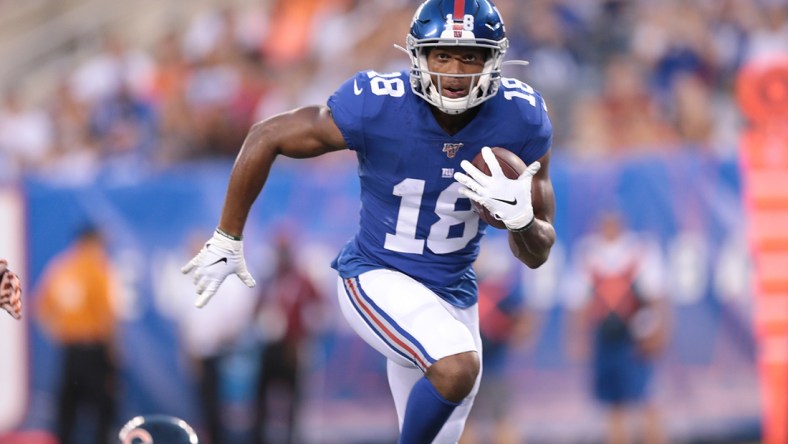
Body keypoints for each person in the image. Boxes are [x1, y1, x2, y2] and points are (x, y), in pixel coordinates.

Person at [181, 0, 556, 442]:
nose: (455, 70)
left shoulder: (522, 117)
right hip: (377, 274)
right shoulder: (378, 104)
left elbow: (537, 251)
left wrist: (522, 221)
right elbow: (268, 134)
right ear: (419, 56)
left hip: (453, 290)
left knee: (444, 412)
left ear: (494, 60)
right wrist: (228, 236)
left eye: (470, 56)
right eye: (443, 55)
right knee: (458, 365)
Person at [566, 212, 669, 444]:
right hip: (605, 336)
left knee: (646, 399)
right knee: (613, 404)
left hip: (634, 336)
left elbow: (656, 295)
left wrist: (658, 331)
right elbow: (578, 301)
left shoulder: (640, 250)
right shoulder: (588, 253)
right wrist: (578, 337)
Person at [34, 225, 120, 444]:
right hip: (94, 348)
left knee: (68, 409)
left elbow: (40, 308)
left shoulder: (60, 268)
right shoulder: (97, 268)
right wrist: (113, 354)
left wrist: (60, 332)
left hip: (70, 350)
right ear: (90, 242)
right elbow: (107, 316)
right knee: (103, 409)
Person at [251, 230, 326, 444]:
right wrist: (262, 320)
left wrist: (303, 335)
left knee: (294, 400)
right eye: (279, 250)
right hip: (269, 346)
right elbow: (255, 309)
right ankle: (259, 438)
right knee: (262, 396)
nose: (281, 255)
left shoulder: (302, 280)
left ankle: (292, 438)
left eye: (285, 250)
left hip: (292, 347)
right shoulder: (269, 279)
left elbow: (319, 310)